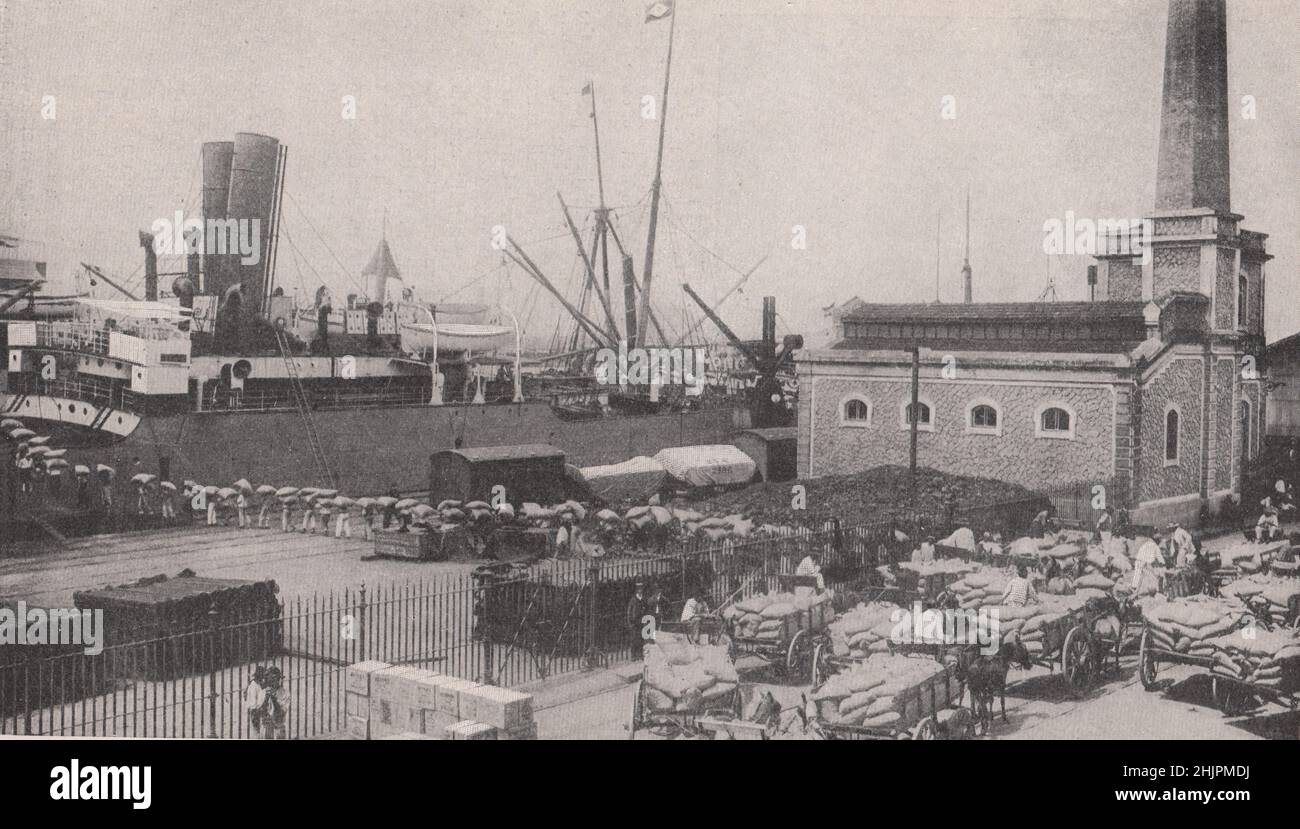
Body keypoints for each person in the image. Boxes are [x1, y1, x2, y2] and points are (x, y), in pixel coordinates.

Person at [257, 667, 290, 740]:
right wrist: (266, 698)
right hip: (266, 729)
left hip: (278, 728)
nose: (273, 682)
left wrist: (273, 698)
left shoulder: (284, 693)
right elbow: (261, 712)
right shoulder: (263, 692)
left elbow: (281, 713)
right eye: (270, 679)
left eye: (275, 679)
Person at [626, 582, 652, 658]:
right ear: (636, 590)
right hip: (634, 622)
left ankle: (640, 654)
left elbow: (647, 610)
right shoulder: (633, 600)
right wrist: (630, 623)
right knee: (634, 639)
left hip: (642, 621)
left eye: (641, 589)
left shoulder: (644, 599)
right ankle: (633, 655)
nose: (640, 591)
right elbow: (629, 612)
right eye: (638, 589)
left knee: (641, 639)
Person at [243, 666, 268, 738]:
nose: (263, 677)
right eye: (262, 675)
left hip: (260, 710)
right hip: (256, 711)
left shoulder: (260, 684)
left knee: (262, 731)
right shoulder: (253, 686)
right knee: (257, 732)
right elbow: (253, 703)